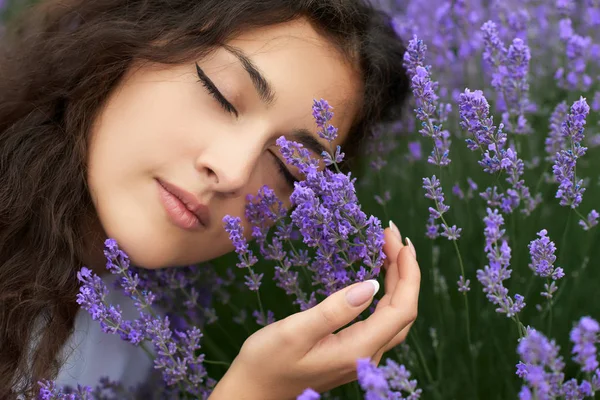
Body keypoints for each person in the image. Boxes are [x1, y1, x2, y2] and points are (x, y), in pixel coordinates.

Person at [0, 0, 421, 398]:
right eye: (219, 94)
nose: (232, 172)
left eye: (287, 168)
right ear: (126, 42)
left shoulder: (141, 326)